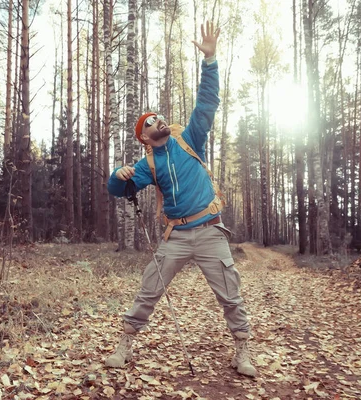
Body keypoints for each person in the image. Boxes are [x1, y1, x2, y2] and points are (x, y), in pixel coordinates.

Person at [105, 21, 256, 378]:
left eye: (157, 116)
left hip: (209, 230)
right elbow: (119, 192)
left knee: (230, 293)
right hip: (175, 237)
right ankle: (125, 345)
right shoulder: (148, 164)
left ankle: (242, 350)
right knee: (149, 290)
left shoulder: (190, 138)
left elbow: (207, 103)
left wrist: (210, 60)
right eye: (147, 122)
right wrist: (118, 175)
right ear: (143, 137)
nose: (156, 120)